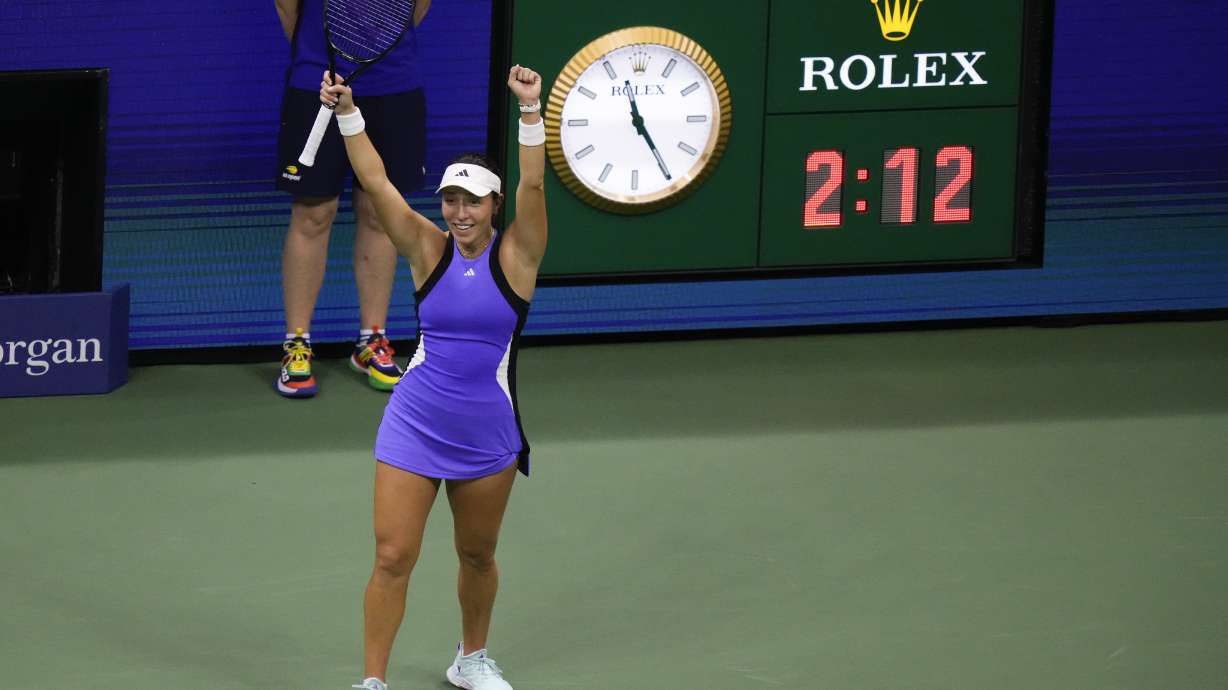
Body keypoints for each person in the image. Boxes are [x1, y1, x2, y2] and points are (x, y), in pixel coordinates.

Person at [320, 64, 547, 690]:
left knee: (477, 554)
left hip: (487, 432)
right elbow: (375, 180)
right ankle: (373, 682)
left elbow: (533, 184)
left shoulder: (520, 254)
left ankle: (470, 659)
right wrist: (347, 111)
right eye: (451, 198)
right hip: (415, 421)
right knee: (392, 557)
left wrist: (530, 111)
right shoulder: (426, 248)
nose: (460, 211)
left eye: (473, 200)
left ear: (494, 204)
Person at [273, 0, 432, 398]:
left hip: (396, 87)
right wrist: (316, 53)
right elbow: (287, 6)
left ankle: (371, 340)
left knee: (382, 212)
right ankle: (297, 343)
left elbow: (415, 8)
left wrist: (378, 43)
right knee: (313, 214)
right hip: (317, 82)